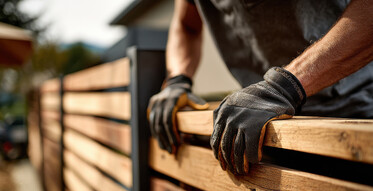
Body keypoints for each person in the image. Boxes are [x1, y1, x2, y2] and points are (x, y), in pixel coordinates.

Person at [147, 0, 373, 174]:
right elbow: (186, 24)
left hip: (355, 122)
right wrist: (177, 80)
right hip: (257, 127)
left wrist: (285, 86)